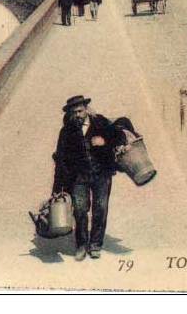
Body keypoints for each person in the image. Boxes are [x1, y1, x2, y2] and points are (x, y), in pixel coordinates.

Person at [52, 96, 127, 261]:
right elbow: (61, 159)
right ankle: (81, 245)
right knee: (79, 211)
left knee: (100, 209)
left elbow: (119, 136)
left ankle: (95, 245)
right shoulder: (66, 131)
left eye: (80, 111)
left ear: (86, 109)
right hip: (79, 177)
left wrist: (105, 142)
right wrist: (57, 188)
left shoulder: (100, 123)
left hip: (102, 174)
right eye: (74, 113)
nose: (78, 115)